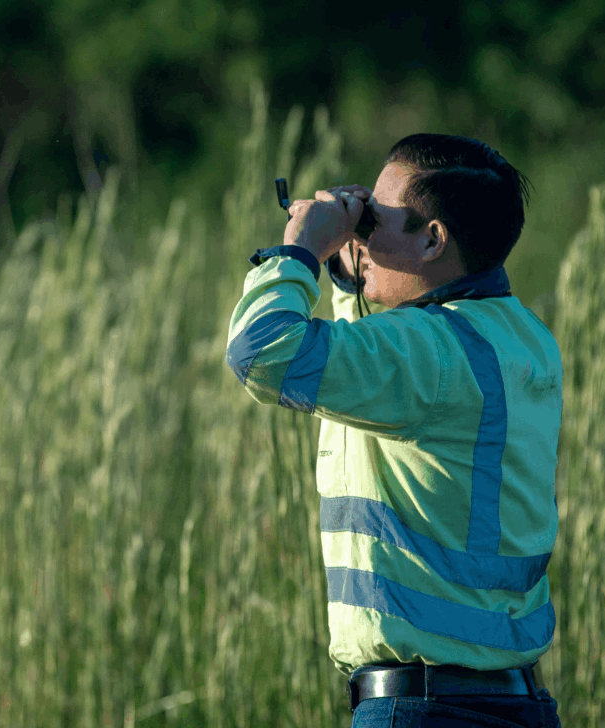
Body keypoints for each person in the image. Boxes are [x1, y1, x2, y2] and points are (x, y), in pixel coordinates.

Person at [227, 134, 563, 727]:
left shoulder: (427, 354)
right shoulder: (517, 337)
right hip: (515, 705)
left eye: (375, 217)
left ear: (433, 240)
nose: (360, 231)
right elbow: (384, 377)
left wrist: (301, 251)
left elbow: (261, 352)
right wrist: (349, 274)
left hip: (424, 709)